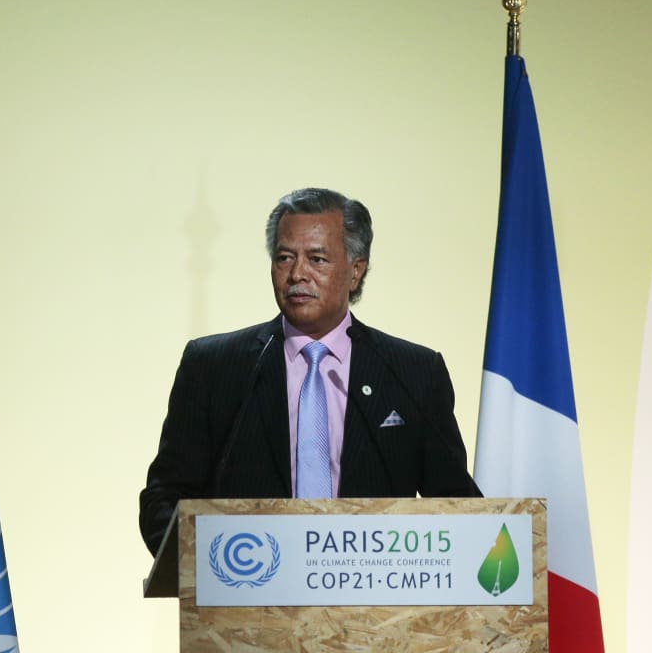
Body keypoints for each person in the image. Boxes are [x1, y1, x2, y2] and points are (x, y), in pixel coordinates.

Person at [138, 188, 481, 555]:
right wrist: (212, 567)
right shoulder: (215, 366)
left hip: (373, 604)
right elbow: (164, 500)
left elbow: (455, 505)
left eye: (317, 259)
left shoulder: (412, 373)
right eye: (285, 258)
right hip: (249, 596)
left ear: (356, 270)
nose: (297, 274)